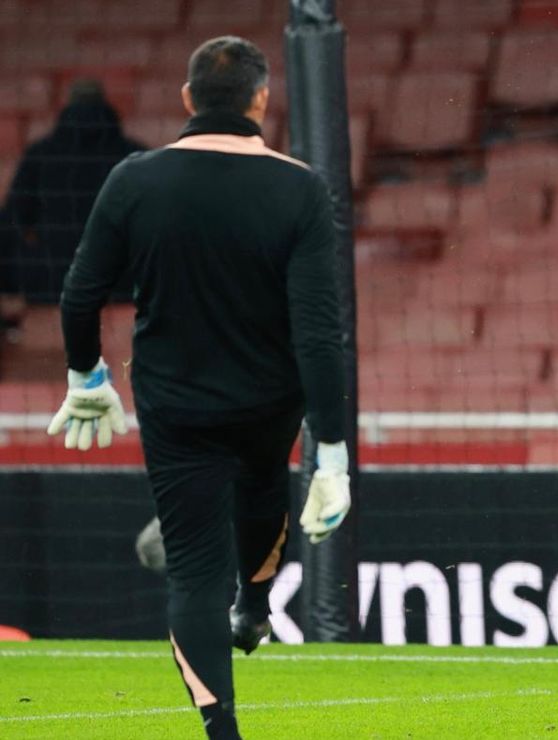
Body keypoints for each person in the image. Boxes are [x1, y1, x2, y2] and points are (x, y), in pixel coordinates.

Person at [47, 37, 351, 740]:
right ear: (261, 100)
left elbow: (79, 292)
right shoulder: (300, 187)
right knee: (261, 506)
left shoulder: (134, 180)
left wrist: (85, 375)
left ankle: (222, 726)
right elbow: (318, 332)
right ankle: (254, 604)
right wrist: (331, 453)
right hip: (270, 407)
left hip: (176, 407)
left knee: (192, 575)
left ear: (187, 100)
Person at [6, 80, 143, 305]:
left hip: (54, 284)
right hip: (121, 284)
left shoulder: (40, 155)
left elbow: (16, 217)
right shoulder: (134, 156)